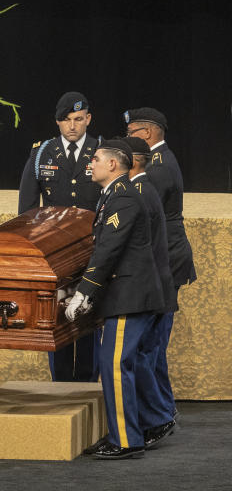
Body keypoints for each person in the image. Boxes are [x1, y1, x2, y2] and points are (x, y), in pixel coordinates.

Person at [63, 139, 165, 460]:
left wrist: (84, 292)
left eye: (94, 159)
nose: (88, 164)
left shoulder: (123, 198)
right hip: (122, 294)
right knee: (117, 365)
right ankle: (129, 432)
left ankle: (125, 440)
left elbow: (108, 252)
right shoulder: (112, 197)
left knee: (115, 366)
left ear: (112, 165)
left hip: (128, 296)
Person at [17, 91, 101, 383]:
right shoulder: (42, 152)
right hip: (55, 253)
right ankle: (61, 385)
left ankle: (87, 387)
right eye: (67, 120)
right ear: (57, 123)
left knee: (90, 318)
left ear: (88, 119)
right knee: (57, 317)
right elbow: (27, 210)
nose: (73, 126)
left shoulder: (102, 150)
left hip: (93, 249)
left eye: (79, 119)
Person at [122, 107, 194, 441]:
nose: (126, 139)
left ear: (146, 133)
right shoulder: (161, 161)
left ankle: (159, 416)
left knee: (148, 345)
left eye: (130, 132)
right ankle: (163, 410)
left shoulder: (155, 170)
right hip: (164, 259)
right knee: (152, 345)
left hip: (162, 261)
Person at [120, 136, 179, 450]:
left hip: (147, 290)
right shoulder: (142, 190)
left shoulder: (137, 194)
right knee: (144, 356)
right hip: (154, 287)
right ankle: (160, 413)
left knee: (139, 357)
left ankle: (158, 416)